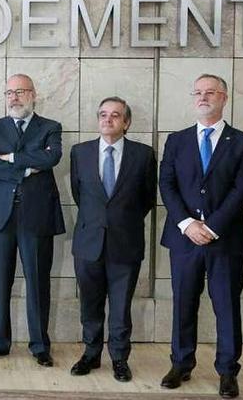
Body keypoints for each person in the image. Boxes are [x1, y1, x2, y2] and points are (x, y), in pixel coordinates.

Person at [158, 74, 243, 399]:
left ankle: (228, 371)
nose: (204, 97)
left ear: (224, 97)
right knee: (183, 303)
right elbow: (167, 185)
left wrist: (212, 226)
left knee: (226, 306)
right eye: (198, 92)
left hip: (224, 239)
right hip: (184, 239)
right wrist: (187, 223)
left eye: (211, 92)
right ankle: (181, 364)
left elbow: (242, 189)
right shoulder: (177, 140)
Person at [0, 73, 64, 367]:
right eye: (9, 92)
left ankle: (40, 345)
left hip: (36, 216)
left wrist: (12, 159)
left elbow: (51, 159)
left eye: (20, 92)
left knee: (38, 282)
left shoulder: (50, 127)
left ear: (33, 95)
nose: (14, 97)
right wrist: (27, 168)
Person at [68, 96, 156, 381]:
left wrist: (120, 221)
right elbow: (79, 194)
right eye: (103, 114)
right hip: (88, 243)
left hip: (125, 243)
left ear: (126, 122)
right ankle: (91, 355)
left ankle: (119, 358)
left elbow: (147, 199)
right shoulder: (80, 152)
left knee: (120, 308)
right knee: (90, 305)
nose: (108, 119)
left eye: (115, 115)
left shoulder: (143, 155)